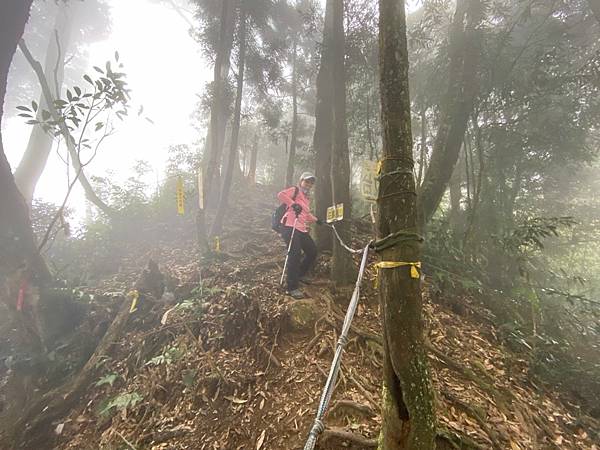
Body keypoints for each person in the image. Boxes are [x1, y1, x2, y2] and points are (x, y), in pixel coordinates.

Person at [277, 172, 322, 299]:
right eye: (307, 181)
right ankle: (292, 287)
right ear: (301, 181)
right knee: (294, 253)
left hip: (301, 228)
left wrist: (317, 220)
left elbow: (306, 215)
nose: (309, 184)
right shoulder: (295, 190)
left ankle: (300, 274)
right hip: (289, 226)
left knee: (312, 251)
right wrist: (293, 204)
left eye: (311, 183)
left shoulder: (307, 198)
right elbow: (281, 195)